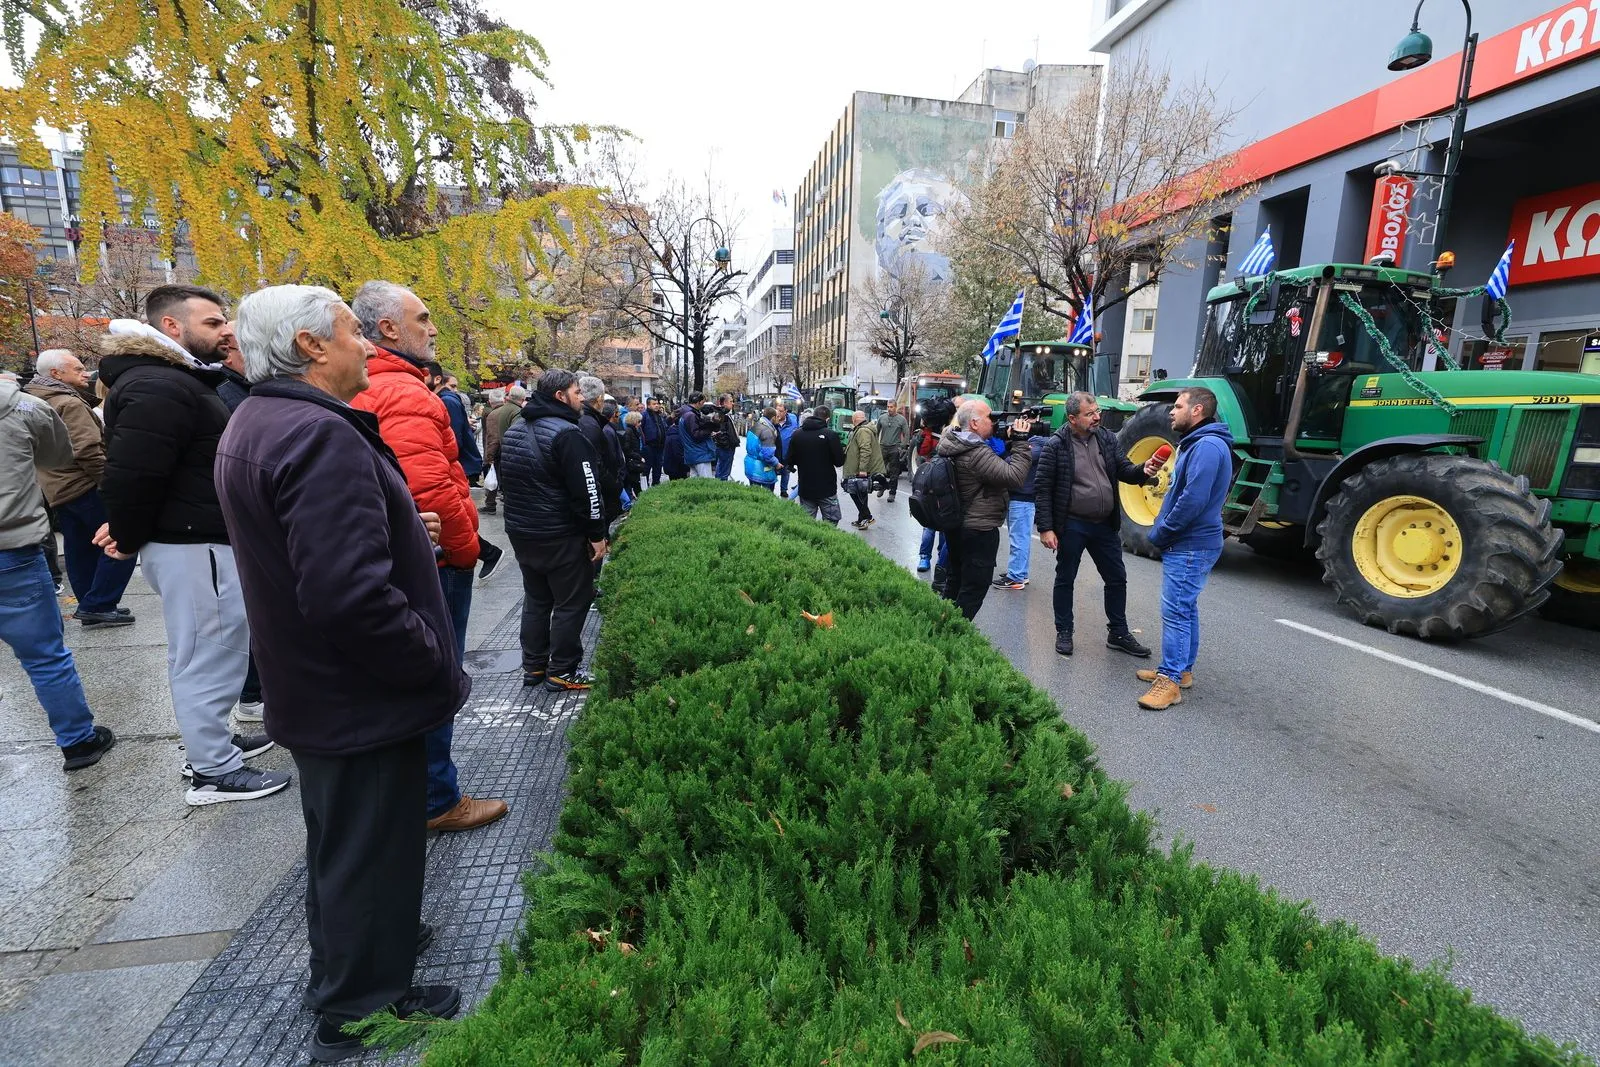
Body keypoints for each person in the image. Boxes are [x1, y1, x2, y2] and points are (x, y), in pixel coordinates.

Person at [215, 285, 464, 1062]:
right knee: (368, 850)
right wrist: (427, 653)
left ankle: (355, 976)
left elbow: (317, 558)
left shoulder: (264, 420)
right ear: (311, 345)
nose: (366, 347)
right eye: (356, 334)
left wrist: (400, 527)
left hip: (320, 690)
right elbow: (348, 595)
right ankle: (360, 1006)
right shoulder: (318, 436)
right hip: (359, 695)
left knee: (345, 849)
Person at [96, 286, 285, 804]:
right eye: (213, 322)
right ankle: (213, 771)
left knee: (207, 650)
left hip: (194, 540)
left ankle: (214, 746)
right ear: (172, 327)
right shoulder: (160, 384)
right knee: (208, 654)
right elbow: (131, 475)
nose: (226, 330)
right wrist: (128, 534)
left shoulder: (170, 379)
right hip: (192, 543)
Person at [349, 280, 505, 831]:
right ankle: (437, 797)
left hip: (395, 558)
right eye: (423, 318)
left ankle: (417, 789)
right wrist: (466, 551)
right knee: (437, 678)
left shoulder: (369, 387)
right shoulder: (406, 394)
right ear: (387, 328)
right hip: (432, 562)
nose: (433, 328)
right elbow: (432, 490)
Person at [1, 375, 116, 771]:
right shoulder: (22, 406)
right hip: (12, 547)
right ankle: (77, 741)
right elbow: (57, 454)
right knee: (45, 657)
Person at [497, 369, 607, 692]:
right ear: (560, 396)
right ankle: (563, 669)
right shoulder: (568, 435)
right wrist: (597, 534)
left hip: (523, 534)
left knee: (537, 599)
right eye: (577, 392)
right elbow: (588, 491)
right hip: (559, 535)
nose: (582, 397)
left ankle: (533, 667)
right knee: (572, 601)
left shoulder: (517, 429)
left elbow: (508, 482)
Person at [1033, 392, 1154, 658]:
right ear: (1073, 418)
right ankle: (1064, 631)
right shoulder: (1056, 446)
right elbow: (1042, 489)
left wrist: (1143, 470)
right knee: (1066, 579)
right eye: (1090, 414)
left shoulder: (1107, 439)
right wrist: (1046, 527)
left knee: (1116, 578)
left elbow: (1124, 470)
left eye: (1097, 411)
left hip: (1104, 526)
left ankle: (1118, 633)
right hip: (1072, 525)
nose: (1097, 417)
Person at [1137, 386, 1233, 711]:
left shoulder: (1206, 446)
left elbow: (1193, 499)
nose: (1171, 412)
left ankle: (1170, 682)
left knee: (1176, 610)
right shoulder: (1200, 444)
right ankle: (1182, 670)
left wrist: (1162, 531)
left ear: (1197, 411)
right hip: (1192, 542)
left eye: (1177, 406)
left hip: (1190, 544)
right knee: (1185, 607)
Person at [25, 350, 137, 628]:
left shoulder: (33, 402)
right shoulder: (68, 403)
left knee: (80, 549)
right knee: (123, 537)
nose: (85, 373)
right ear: (56, 374)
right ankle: (98, 603)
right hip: (85, 484)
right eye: (77, 369)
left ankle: (91, 603)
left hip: (57, 487)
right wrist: (110, 484)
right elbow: (88, 450)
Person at [209, 329, 266, 720]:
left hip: (238, 522)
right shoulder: (228, 394)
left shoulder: (238, 391)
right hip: (233, 525)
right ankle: (251, 694)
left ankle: (254, 691)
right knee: (247, 610)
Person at [934, 400, 1034, 621]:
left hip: (958, 525)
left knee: (956, 581)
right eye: (990, 418)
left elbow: (992, 469)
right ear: (975, 423)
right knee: (974, 588)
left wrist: (1007, 442)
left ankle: (941, 629)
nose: (994, 422)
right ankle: (955, 636)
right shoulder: (977, 452)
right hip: (978, 530)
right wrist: (1020, 443)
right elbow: (1014, 477)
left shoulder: (954, 442)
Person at [994, 431, 1047, 592]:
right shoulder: (1034, 442)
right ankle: (1020, 573)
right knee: (1020, 538)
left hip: (1022, 499)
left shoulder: (1037, 444)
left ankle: (1015, 577)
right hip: (1020, 498)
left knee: (1019, 540)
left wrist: (1014, 445)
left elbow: (1011, 462)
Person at [915, 397, 956, 579]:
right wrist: (927, 433)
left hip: (944, 483)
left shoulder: (951, 432)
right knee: (931, 524)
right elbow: (923, 451)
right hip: (934, 483)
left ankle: (941, 559)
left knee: (942, 525)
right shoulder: (929, 434)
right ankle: (926, 557)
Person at [785, 405, 845, 524]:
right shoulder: (831, 435)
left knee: (806, 523)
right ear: (827, 419)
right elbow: (839, 462)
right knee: (831, 522)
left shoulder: (797, 434)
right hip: (827, 488)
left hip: (806, 486)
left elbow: (790, 459)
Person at [482, 384, 526, 515]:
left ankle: (490, 504)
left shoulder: (495, 414)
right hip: (510, 453)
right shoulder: (517, 412)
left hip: (500, 451)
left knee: (495, 477)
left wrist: (489, 456)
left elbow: (493, 438)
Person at [439, 374, 484, 486]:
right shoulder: (449, 400)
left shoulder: (448, 400)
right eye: (452, 386)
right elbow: (455, 435)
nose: (455, 390)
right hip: (462, 461)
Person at [842, 410, 884, 529]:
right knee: (860, 493)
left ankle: (867, 517)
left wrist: (862, 469)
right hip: (858, 468)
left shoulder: (863, 431)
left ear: (854, 420)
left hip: (859, 469)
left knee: (856, 493)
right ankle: (862, 518)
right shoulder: (863, 429)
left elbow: (865, 450)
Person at [676, 392, 717, 477]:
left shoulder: (685, 414)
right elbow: (696, 435)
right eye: (702, 402)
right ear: (698, 402)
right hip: (700, 454)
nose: (703, 405)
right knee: (706, 483)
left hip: (693, 454)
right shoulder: (691, 415)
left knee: (695, 484)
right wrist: (709, 430)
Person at [876, 400, 910, 501]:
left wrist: (902, 446)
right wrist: (875, 445)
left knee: (894, 472)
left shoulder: (901, 419)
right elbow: (876, 432)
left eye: (891, 407)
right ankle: (882, 487)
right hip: (883, 447)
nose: (889, 409)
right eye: (888, 407)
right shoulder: (882, 418)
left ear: (895, 407)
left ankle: (892, 493)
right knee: (880, 471)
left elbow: (906, 434)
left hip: (895, 448)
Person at [743, 407, 782, 491]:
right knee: (765, 498)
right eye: (777, 417)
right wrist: (777, 464)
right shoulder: (767, 431)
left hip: (751, 466)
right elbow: (768, 455)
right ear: (773, 417)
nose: (778, 419)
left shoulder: (756, 426)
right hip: (762, 470)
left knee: (753, 495)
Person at [639, 397, 668, 487]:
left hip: (660, 447)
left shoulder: (660, 416)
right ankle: (645, 487)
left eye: (657, 403)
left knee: (658, 468)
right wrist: (644, 445)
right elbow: (640, 430)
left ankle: (656, 485)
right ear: (648, 405)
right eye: (654, 404)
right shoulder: (644, 415)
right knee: (647, 468)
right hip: (649, 447)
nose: (656, 405)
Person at [772, 401, 799, 498]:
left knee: (785, 472)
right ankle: (771, 489)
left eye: (781, 411)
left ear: (786, 411)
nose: (778, 413)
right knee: (773, 471)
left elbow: (797, 431)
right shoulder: (773, 421)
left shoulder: (793, 420)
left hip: (787, 452)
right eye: (777, 410)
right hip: (775, 453)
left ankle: (783, 490)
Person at [713, 393, 739, 480]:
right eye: (730, 401)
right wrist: (727, 445)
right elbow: (720, 432)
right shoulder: (721, 415)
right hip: (725, 449)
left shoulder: (725, 414)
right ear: (724, 403)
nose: (733, 403)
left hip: (726, 448)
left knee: (722, 470)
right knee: (723, 472)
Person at [621, 410, 646, 497]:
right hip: (632, 461)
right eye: (639, 421)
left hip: (634, 460)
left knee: (635, 483)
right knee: (634, 483)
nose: (640, 424)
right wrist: (638, 457)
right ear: (634, 421)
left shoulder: (633, 431)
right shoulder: (629, 431)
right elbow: (627, 449)